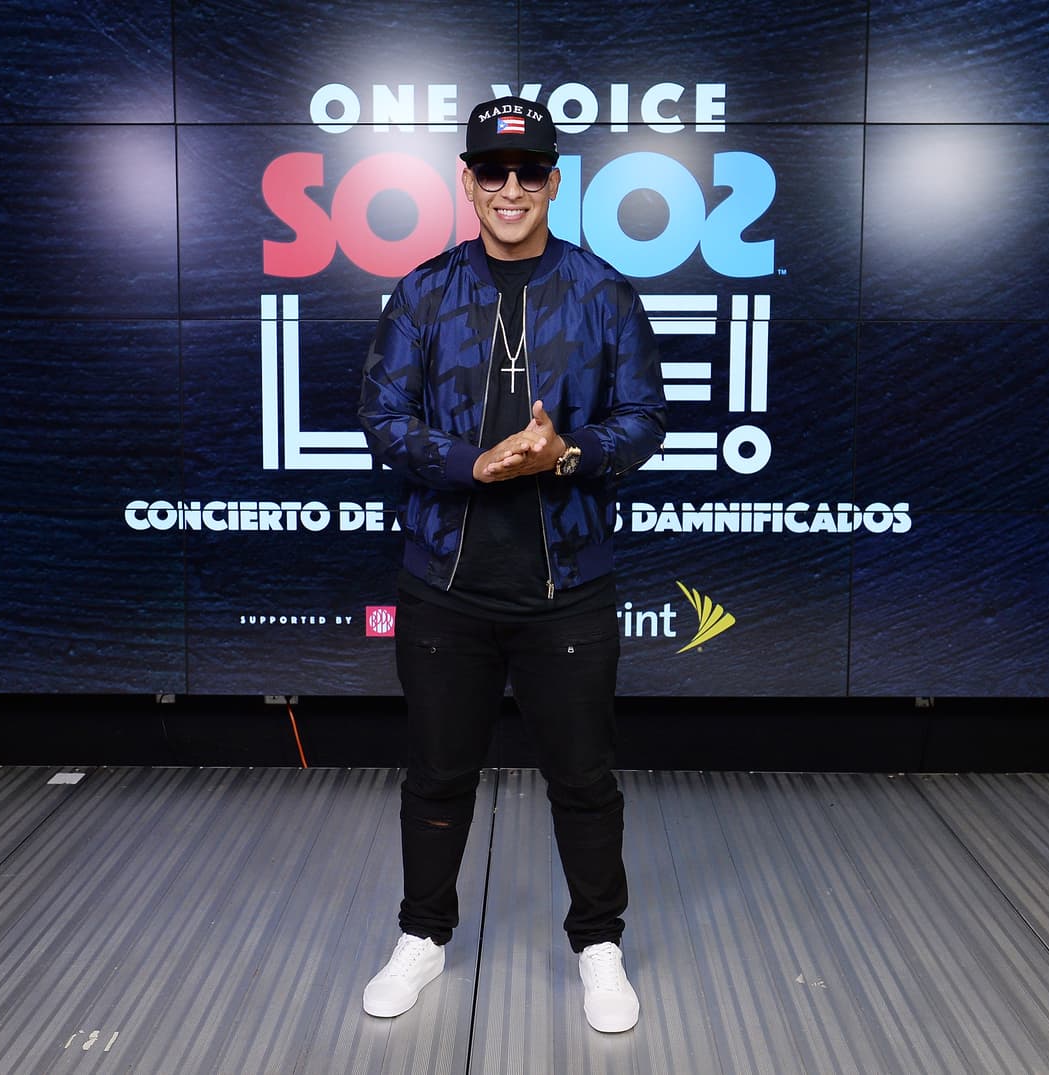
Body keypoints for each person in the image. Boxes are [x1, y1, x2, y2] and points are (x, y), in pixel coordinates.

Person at [357, 95, 666, 1034]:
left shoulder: (604, 290)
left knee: (583, 776)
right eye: (492, 171)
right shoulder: (422, 292)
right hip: (442, 585)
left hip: (566, 587)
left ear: (554, 183)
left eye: (529, 172)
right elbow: (382, 416)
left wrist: (564, 455)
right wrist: (474, 463)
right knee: (436, 774)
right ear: (467, 181)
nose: (510, 188)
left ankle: (598, 943)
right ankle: (423, 935)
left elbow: (645, 420)